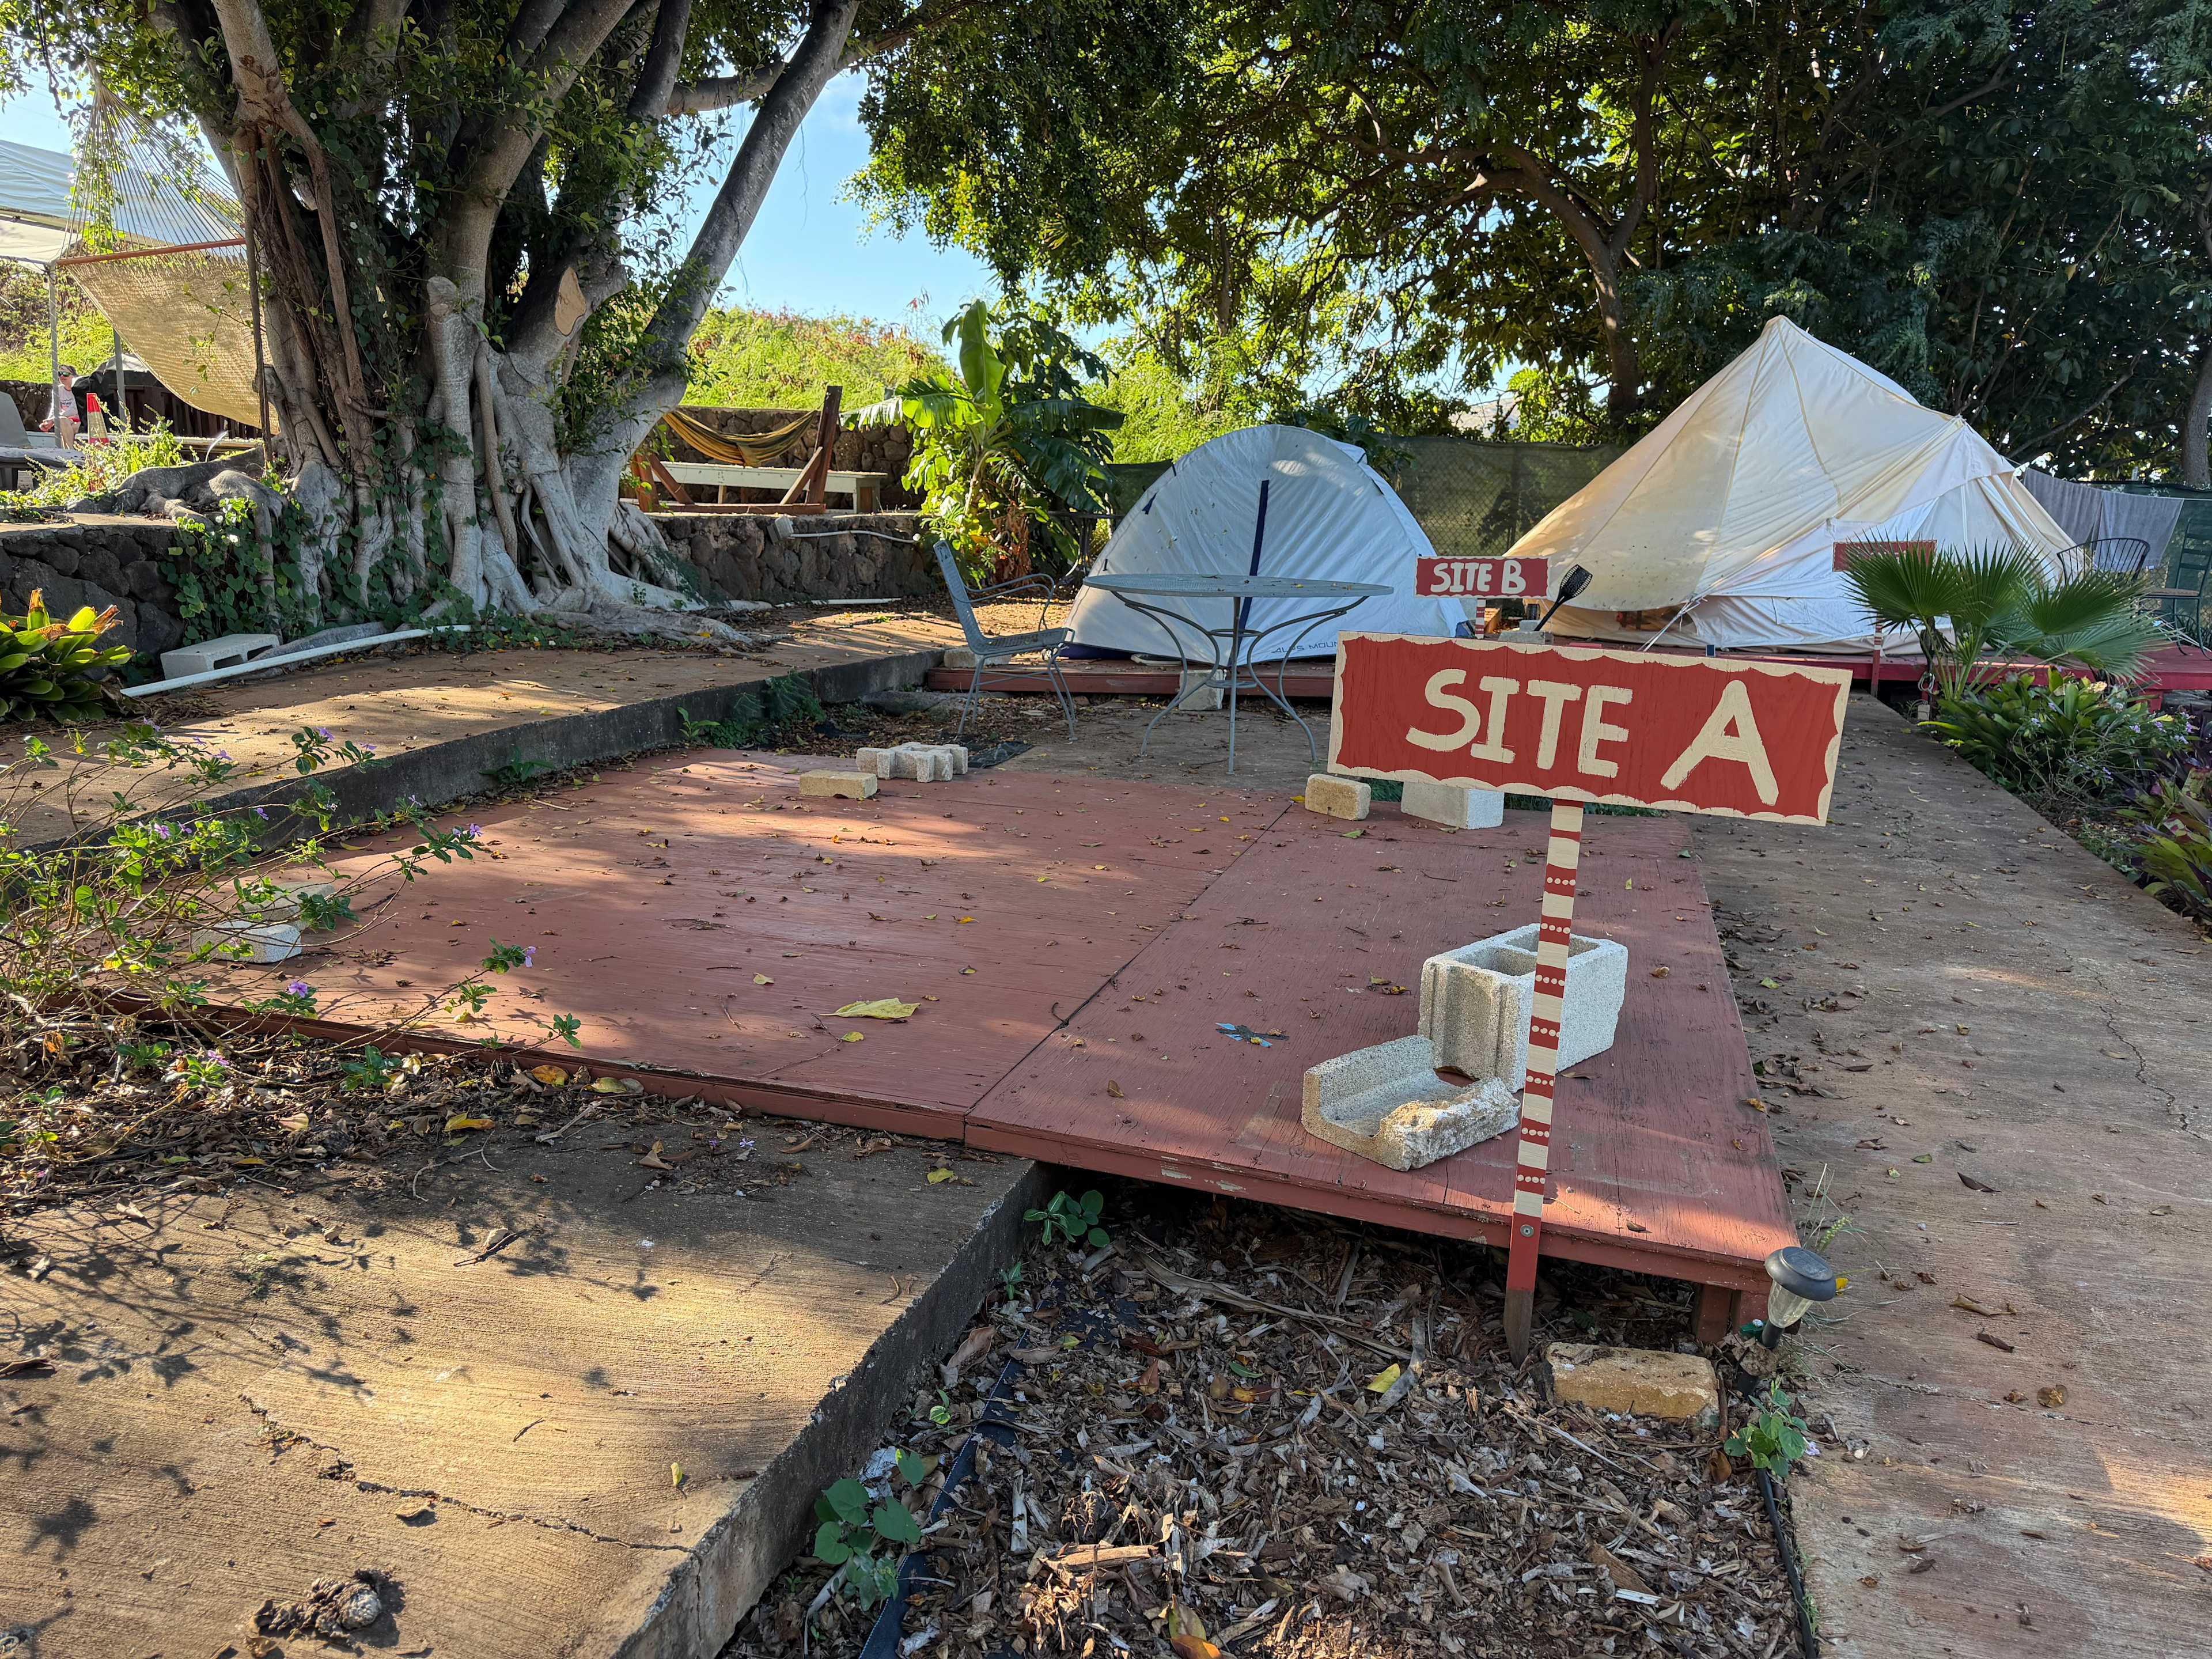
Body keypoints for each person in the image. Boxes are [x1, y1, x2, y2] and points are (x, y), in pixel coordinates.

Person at [40, 365, 79, 444]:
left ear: (73, 376)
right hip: (65, 420)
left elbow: (74, 409)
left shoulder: (78, 389)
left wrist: (53, 420)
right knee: (63, 422)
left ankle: (69, 451)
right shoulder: (58, 390)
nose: (62, 376)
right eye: (60, 374)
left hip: (79, 421)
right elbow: (55, 409)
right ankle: (68, 452)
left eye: (65, 374)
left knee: (65, 425)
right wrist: (48, 422)